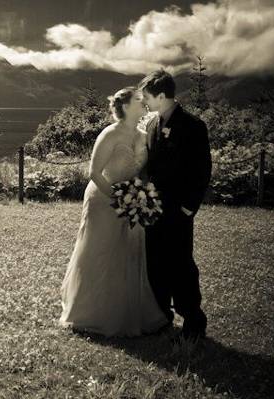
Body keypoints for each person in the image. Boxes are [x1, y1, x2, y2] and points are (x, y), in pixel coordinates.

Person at [58, 86, 168, 337]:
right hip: (103, 198)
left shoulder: (143, 135)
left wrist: (138, 197)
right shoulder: (109, 134)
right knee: (100, 250)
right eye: (139, 101)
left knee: (129, 253)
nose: (144, 105)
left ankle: (130, 311)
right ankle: (89, 312)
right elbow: (94, 172)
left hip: (133, 200)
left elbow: (142, 170)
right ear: (126, 107)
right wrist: (119, 198)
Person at [139, 70, 212, 341]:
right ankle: (162, 317)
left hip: (178, 210)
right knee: (155, 263)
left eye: (147, 96)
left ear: (161, 96)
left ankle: (193, 320)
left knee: (181, 265)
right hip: (152, 209)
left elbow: (202, 170)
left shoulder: (193, 126)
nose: (144, 101)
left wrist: (188, 208)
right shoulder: (150, 125)